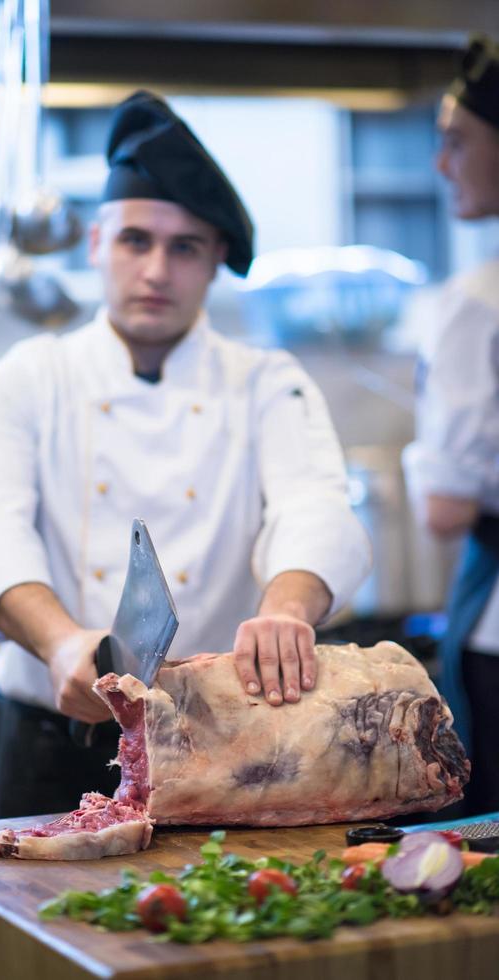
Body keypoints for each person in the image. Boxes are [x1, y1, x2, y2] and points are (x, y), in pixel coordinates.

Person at [0, 90, 371, 818]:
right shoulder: (30, 375)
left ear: (215, 262)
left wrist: (286, 608)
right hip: (58, 742)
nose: (155, 270)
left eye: (185, 247)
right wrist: (57, 644)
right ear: (95, 244)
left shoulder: (267, 381)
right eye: (136, 240)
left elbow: (315, 504)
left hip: (228, 742)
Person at [402, 34, 499, 815]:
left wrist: (419, 452)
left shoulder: (475, 303)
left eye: (457, 141)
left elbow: (445, 511)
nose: (442, 164)